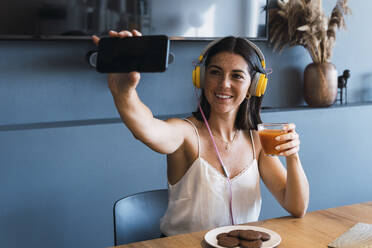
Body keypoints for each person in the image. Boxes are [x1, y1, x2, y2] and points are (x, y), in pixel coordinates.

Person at [92, 30, 309, 236]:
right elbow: (147, 128)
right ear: (202, 78)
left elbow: (297, 207)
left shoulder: (257, 141)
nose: (224, 84)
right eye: (215, 72)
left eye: (237, 76)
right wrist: (124, 93)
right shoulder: (186, 133)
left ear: (254, 86)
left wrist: (293, 156)